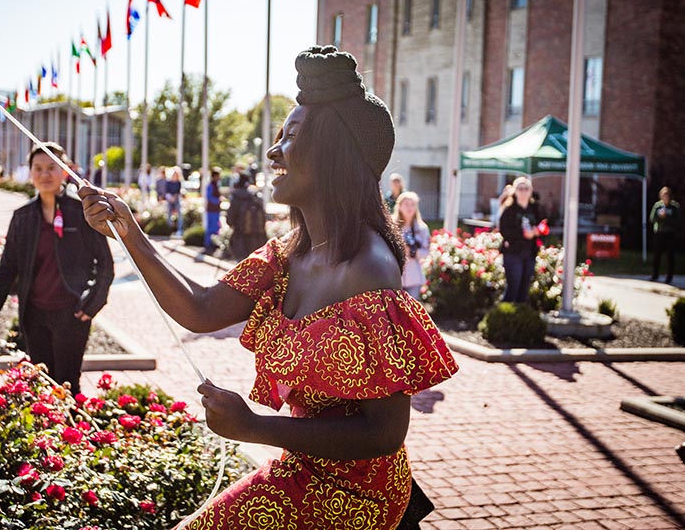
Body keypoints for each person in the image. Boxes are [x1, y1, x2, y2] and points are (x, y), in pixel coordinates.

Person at [79, 45, 458, 529]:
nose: (273, 151)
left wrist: (254, 426)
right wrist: (129, 232)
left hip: (360, 491)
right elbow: (200, 309)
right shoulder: (288, 253)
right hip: (302, 467)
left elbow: (383, 434)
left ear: (332, 154)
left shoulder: (369, 269)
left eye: (290, 137)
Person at [0, 143, 113, 394]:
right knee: (42, 384)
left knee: (68, 383)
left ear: (65, 171)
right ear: (30, 173)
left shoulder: (82, 212)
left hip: (72, 314)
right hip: (35, 315)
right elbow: (7, 269)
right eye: (38, 168)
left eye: (52, 168)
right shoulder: (23, 217)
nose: (45, 175)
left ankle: (73, 431)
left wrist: (92, 304)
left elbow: (105, 264)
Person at [498, 176, 546, 303]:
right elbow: (504, 230)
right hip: (513, 252)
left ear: (530, 191)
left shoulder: (535, 208)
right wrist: (523, 233)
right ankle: (505, 314)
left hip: (529, 252)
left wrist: (536, 232)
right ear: (515, 191)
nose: (523, 191)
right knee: (513, 286)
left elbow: (543, 224)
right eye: (520, 188)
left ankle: (520, 315)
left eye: (526, 188)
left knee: (524, 289)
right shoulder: (509, 209)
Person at [394, 191, 431, 300]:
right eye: (406, 204)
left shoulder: (422, 228)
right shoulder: (392, 226)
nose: (409, 208)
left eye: (412, 204)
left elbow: (426, 251)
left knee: (411, 310)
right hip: (395, 276)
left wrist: (411, 252)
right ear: (399, 206)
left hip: (414, 276)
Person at [226, 173, 268, 260]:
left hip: (240, 235)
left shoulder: (236, 197)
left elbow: (230, 218)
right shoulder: (255, 196)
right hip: (257, 236)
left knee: (242, 262)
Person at [650, 186, 679, 283]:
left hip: (670, 233)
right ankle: (655, 275)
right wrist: (660, 217)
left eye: (667, 196)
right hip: (659, 233)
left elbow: (677, 220)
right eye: (664, 196)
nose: (665, 198)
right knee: (657, 255)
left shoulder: (675, 207)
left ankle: (669, 277)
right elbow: (652, 219)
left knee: (670, 256)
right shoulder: (657, 206)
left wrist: (666, 217)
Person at [204, 168, 222, 253]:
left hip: (216, 209)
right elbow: (209, 197)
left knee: (216, 226)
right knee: (211, 226)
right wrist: (218, 200)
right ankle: (208, 243)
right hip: (211, 210)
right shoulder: (210, 186)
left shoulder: (216, 185)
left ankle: (214, 241)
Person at [166, 166, 184, 236]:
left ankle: (179, 230)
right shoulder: (168, 182)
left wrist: (174, 197)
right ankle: (169, 229)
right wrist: (170, 198)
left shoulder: (178, 183)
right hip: (170, 199)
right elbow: (167, 191)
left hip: (176, 199)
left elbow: (178, 191)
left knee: (179, 214)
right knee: (169, 214)